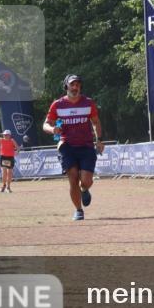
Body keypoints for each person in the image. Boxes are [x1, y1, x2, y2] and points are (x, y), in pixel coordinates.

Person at [43, 75, 104, 221]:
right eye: (72, 85)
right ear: (66, 86)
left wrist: (99, 140)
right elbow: (46, 124)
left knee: (86, 181)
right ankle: (78, 210)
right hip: (67, 145)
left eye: (78, 85)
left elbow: (95, 122)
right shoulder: (57, 105)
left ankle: (84, 189)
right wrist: (52, 130)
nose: (75, 87)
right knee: (72, 176)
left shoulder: (88, 103)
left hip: (86, 145)